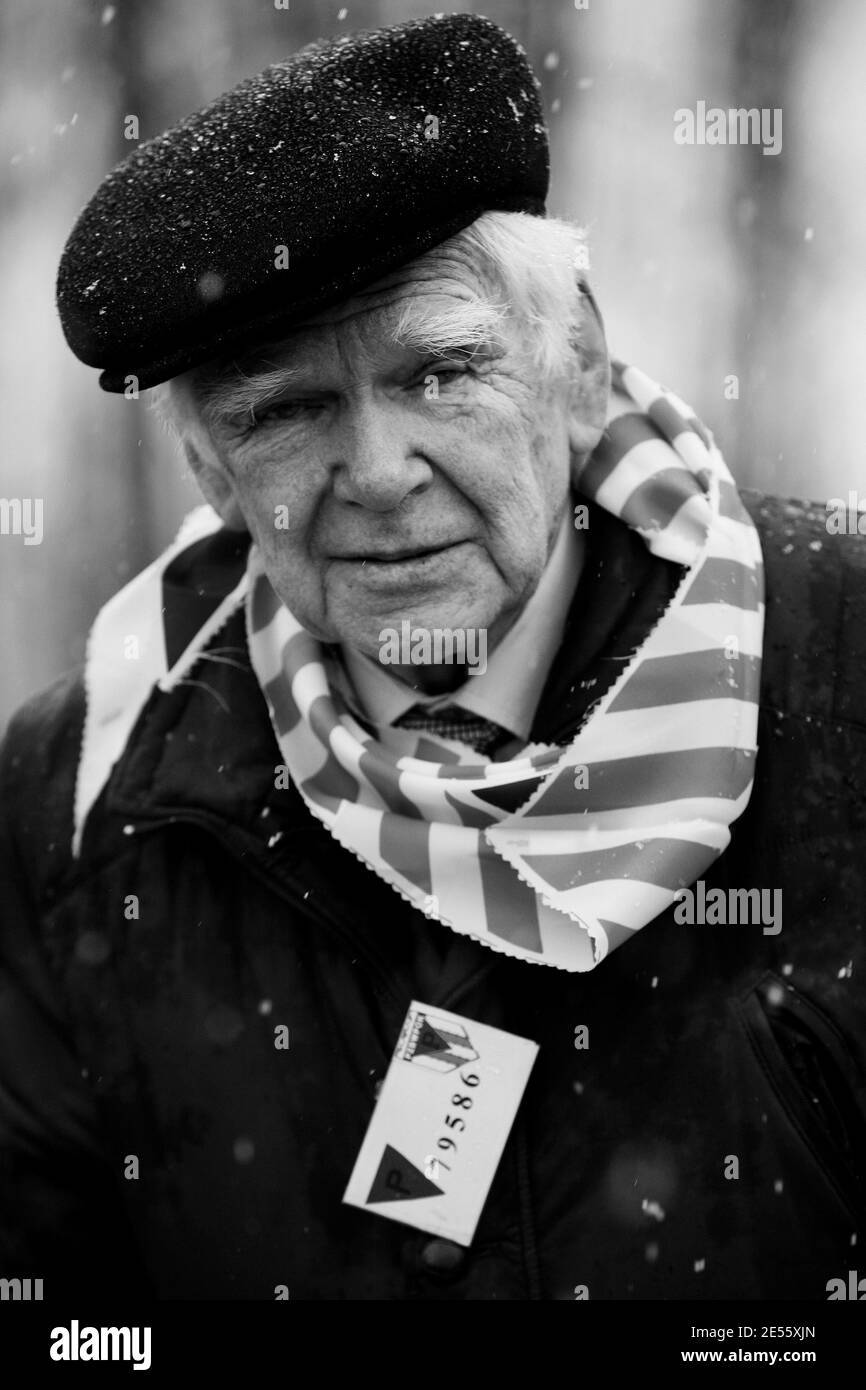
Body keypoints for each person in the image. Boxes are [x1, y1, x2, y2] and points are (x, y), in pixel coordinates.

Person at [1, 12, 863, 1302]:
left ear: (575, 360)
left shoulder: (847, 668)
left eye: (444, 370)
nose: (382, 475)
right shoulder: (77, 797)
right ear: (210, 471)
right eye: (287, 410)